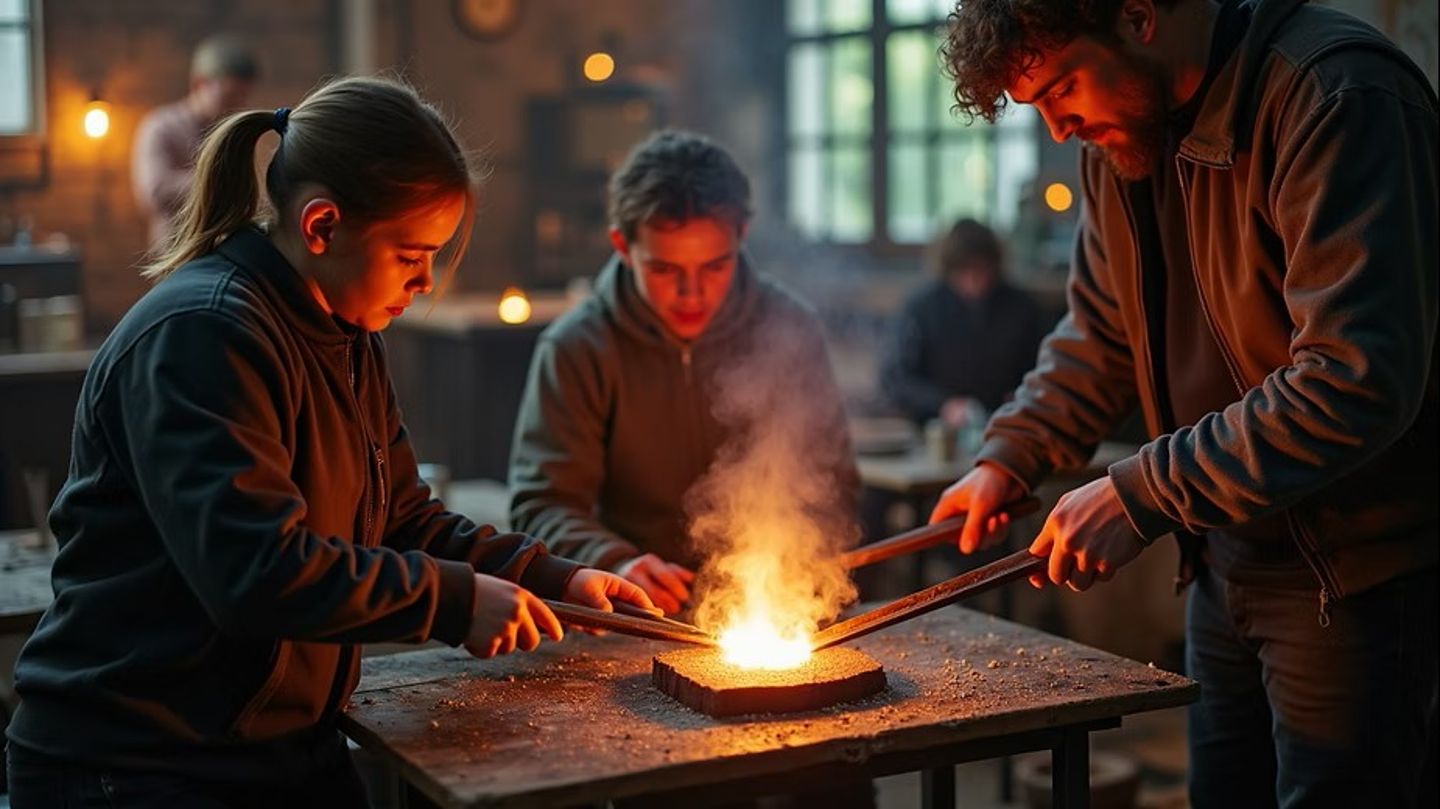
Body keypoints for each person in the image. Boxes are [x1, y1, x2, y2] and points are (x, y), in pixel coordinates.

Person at [5, 76, 653, 806]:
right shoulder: (204, 336)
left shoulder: (343, 331)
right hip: (138, 764)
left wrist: (553, 579)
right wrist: (452, 600)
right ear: (322, 226)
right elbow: (254, 572)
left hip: (276, 749)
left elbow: (404, 520)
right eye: (411, 256)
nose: (426, 282)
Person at [932, 0, 1437, 806]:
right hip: (1221, 557)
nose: (1060, 131)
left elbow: (1353, 380)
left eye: (1063, 89)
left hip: (1349, 576)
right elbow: (1103, 334)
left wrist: (1142, 492)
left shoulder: (1332, 96)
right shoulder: (1123, 141)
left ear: (1139, 18)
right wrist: (1010, 452)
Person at [509, 130, 859, 616]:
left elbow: (834, 480)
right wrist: (613, 561)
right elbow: (542, 504)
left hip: (773, 603)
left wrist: (790, 562)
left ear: (741, 236)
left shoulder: (789, 328)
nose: (692, 294)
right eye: (666, 270)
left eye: (715, 266)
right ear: (622, 246)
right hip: (639, 616)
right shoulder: (578, 348)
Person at [880, 217, 1050, 430]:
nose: (974, 282)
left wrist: (1022, 395)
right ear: (948, 270)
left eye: (981, 270)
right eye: (964, 272)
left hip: (1007, 428)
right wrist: (943, 405)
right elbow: (895, 378)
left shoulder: (1021, 307)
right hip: (934, 432)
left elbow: (1042, 369)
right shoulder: (921, 308)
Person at [133, 33, 259, 249]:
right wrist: (222, 182)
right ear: (200, 83)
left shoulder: (231, 133)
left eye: (242, 97)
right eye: (230, 97)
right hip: (174, 254)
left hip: (225, 252)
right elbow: (154, 192)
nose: (237, 105)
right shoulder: (160, 126)